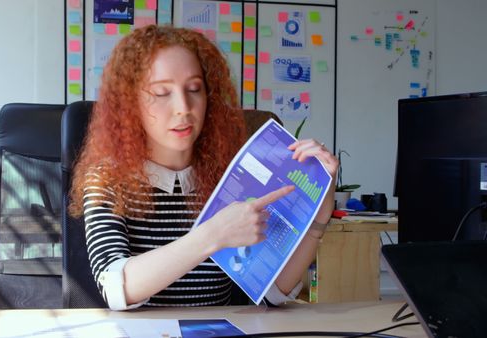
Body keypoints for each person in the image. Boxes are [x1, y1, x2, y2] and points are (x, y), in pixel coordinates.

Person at [69, 25, 338, 310]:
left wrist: (321, 205)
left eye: (194, 89)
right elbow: (117, 288)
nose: (183, 107)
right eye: (161, 93)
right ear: (131, 104)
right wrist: (213, 235)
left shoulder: (232, 175)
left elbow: (273, 290)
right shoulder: (106, 179)